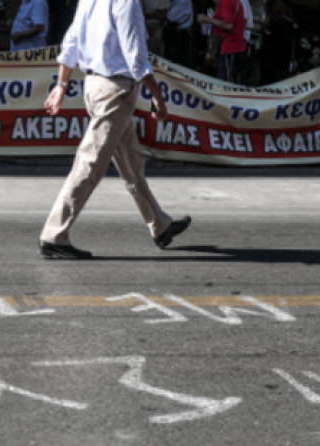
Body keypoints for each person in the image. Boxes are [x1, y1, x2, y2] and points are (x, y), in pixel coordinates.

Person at [39, 0, 191, 259]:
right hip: (115, 93)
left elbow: (71, 43)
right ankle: (54, 235)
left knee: (132, 163)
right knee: (89, 164)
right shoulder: (126, 3)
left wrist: (62, 85)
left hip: (96, 86)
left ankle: (160, 225)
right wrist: (158, 96)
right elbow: (136, 58)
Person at [197, 0, 245, 82]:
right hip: (232, 47)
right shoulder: (233, 2)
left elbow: (229, 26)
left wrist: (207, 19)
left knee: (226, 82)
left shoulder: (226, 2)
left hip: (230, 46)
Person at [161, 0, 192, 65]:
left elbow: (171, 17)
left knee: (173, 62)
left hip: (178, 36)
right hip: (174, 34)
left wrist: (160, 14)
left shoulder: (182, 1)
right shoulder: (175, 2)